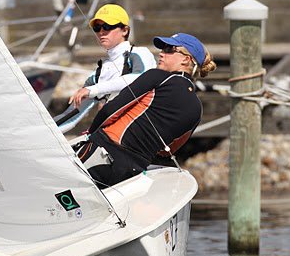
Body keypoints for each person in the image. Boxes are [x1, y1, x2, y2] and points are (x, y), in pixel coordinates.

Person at [76, 33, 217, 188]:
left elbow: (111, 110)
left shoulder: (158, 77)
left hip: (102, 151)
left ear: (186, 59)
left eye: (169, 49)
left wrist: (90, 133)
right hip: (131, 174)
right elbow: (167, 150)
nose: (161, 53)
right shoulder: (197, 109)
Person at [68, 4, 156, 109]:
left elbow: (139, 78)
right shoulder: (99, 72)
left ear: (125, 30)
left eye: (107, 26)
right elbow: (74, 113)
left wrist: (94, 89)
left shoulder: (141, 53)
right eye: (97, 28)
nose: (101, 32)